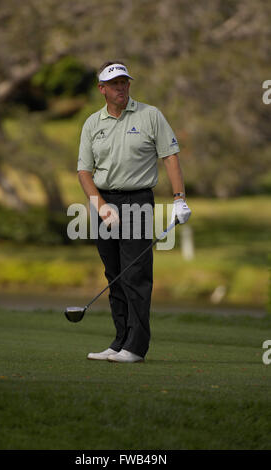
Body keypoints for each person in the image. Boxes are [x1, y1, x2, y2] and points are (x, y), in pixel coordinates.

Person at [77, 61, 191, 363]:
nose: (121, 88)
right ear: (102, 89)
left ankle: (136, 347)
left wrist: (179, 198)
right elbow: (84, 173)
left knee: (136, 276)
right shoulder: (92, 124)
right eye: (114, 84)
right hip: (104, 204)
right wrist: (101, 208)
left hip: (138, 201)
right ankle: (119, 342)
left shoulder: (150, 115)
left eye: (125, 82)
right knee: (114, 275)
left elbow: (170, 156)